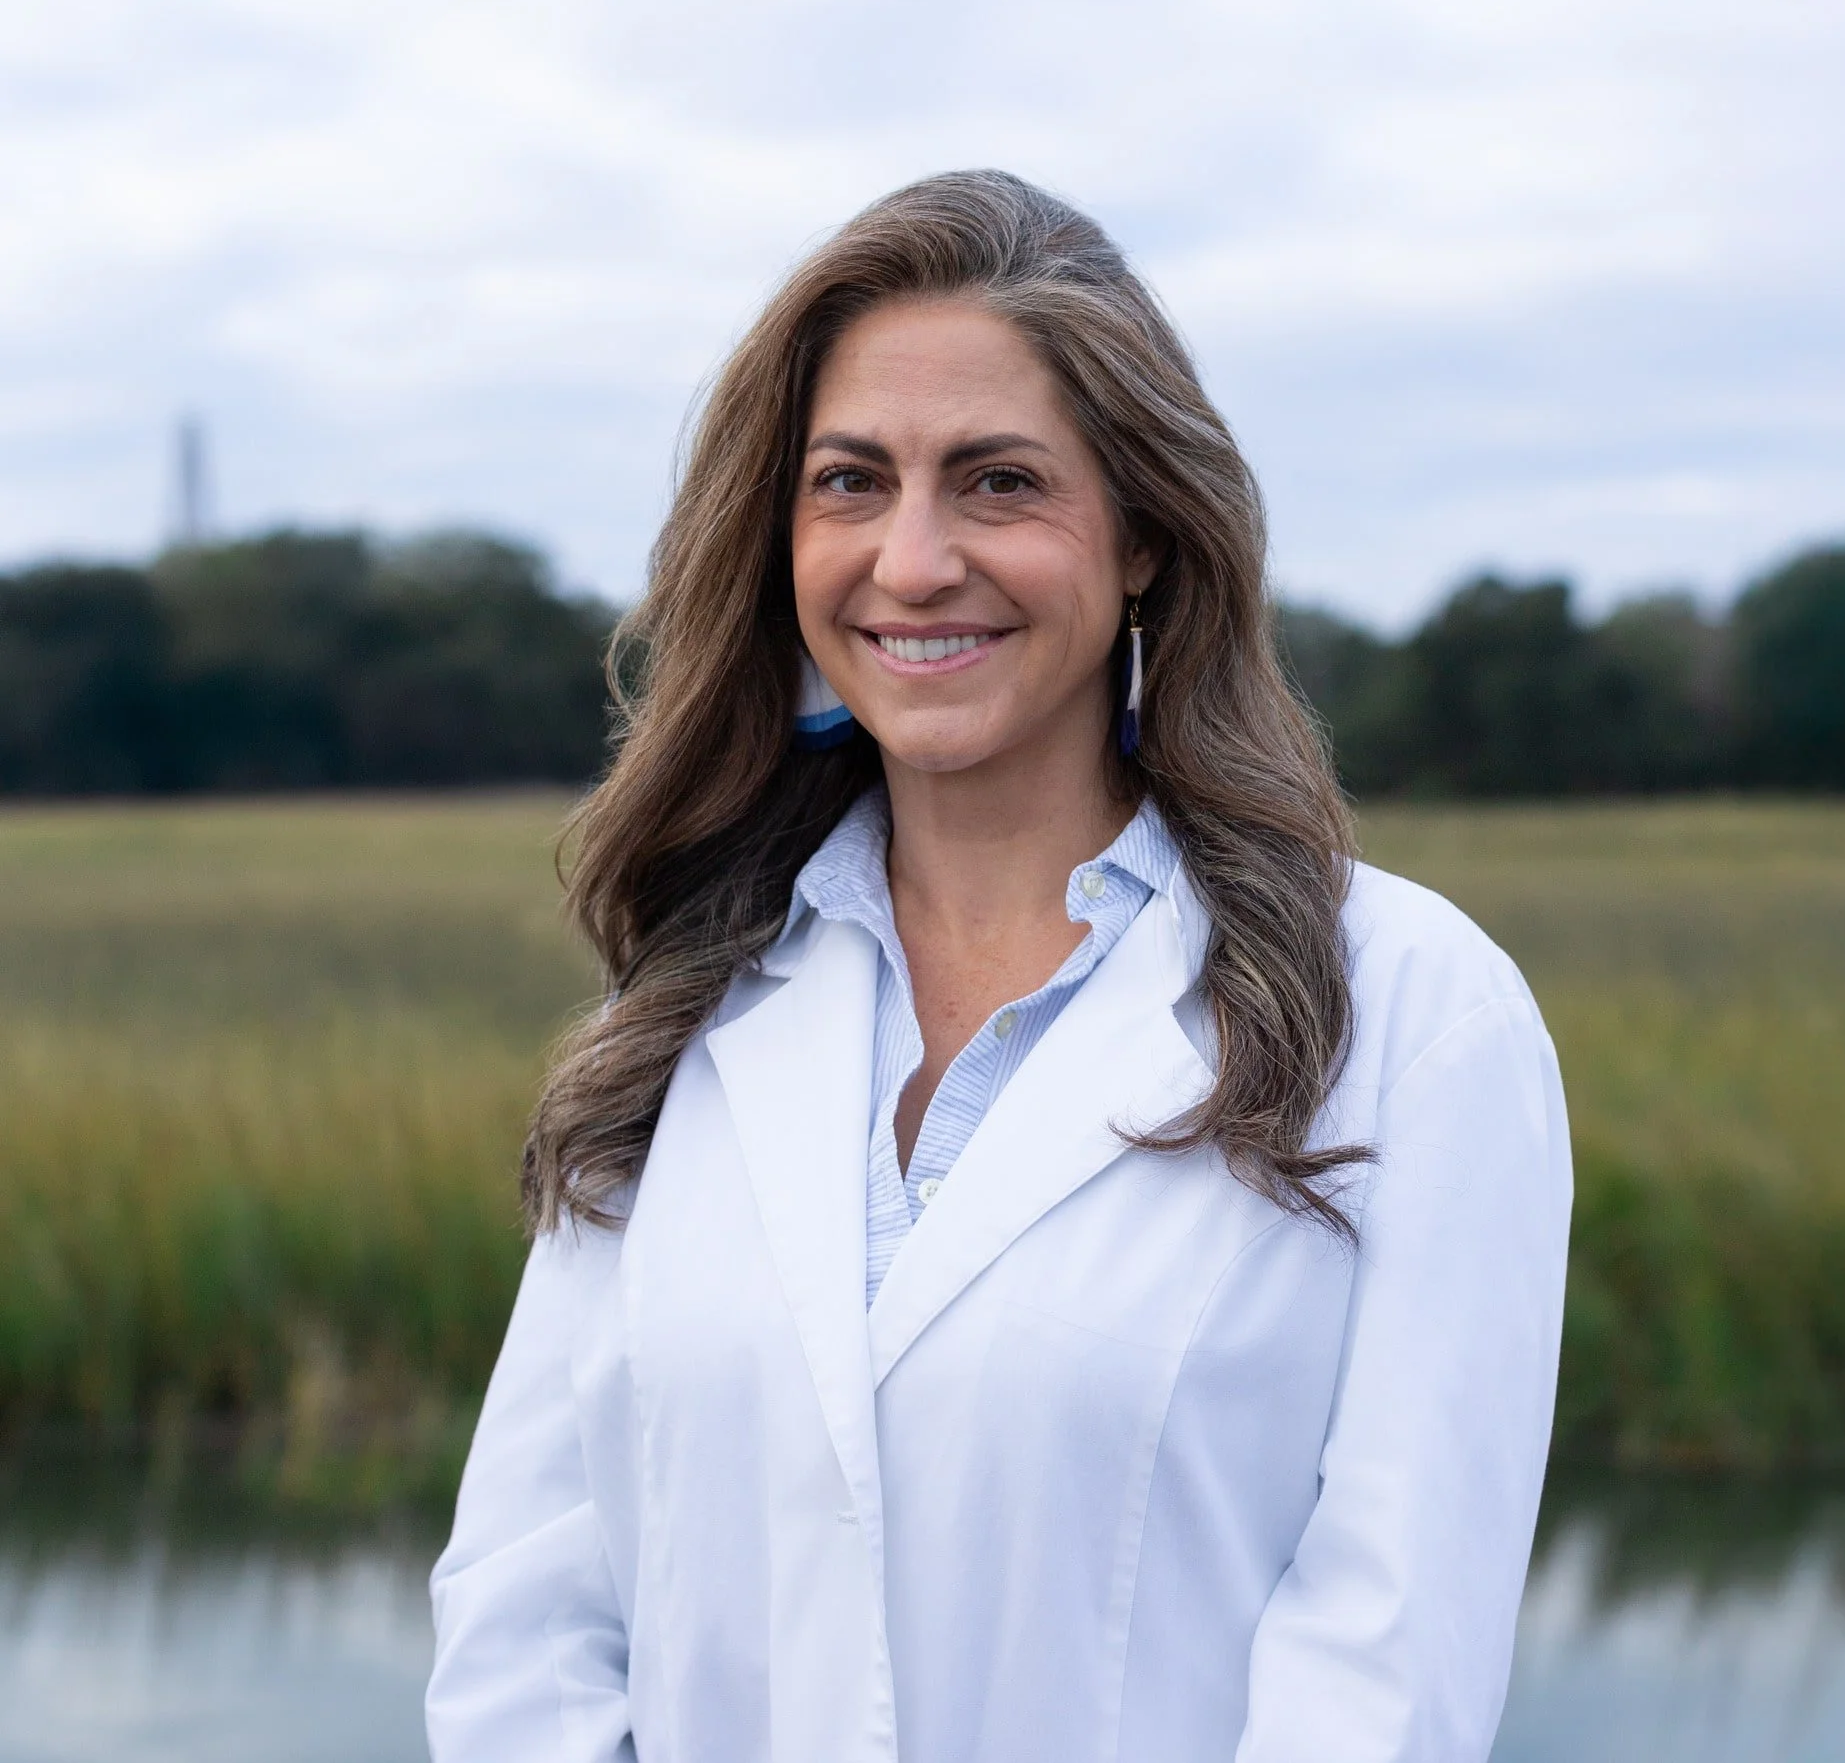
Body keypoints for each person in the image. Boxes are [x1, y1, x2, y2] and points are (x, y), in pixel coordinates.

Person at [426, 170, 1572, 1763]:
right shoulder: (681, 1014)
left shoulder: (1414, 1014)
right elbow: (527, 1630)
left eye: (999, 483)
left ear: (1150, 538)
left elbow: (1385, 1674)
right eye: (848, 482)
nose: (910, 560)